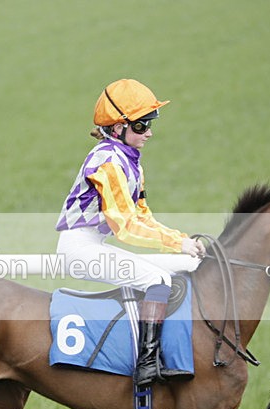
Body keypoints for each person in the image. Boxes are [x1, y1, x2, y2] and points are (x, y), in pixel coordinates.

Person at [55, 78, 205, 387]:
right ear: (117, 127)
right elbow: (125, 227)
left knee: (190, 268)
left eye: (151, 123)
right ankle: (147, 365)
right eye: (141, 125)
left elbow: (143, 218)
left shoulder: (130, 161)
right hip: (79, 250)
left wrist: (183, 241)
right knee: (157, 280)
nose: (149, 132)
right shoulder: (108, 161)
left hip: (95, 245)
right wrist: (177, 242)